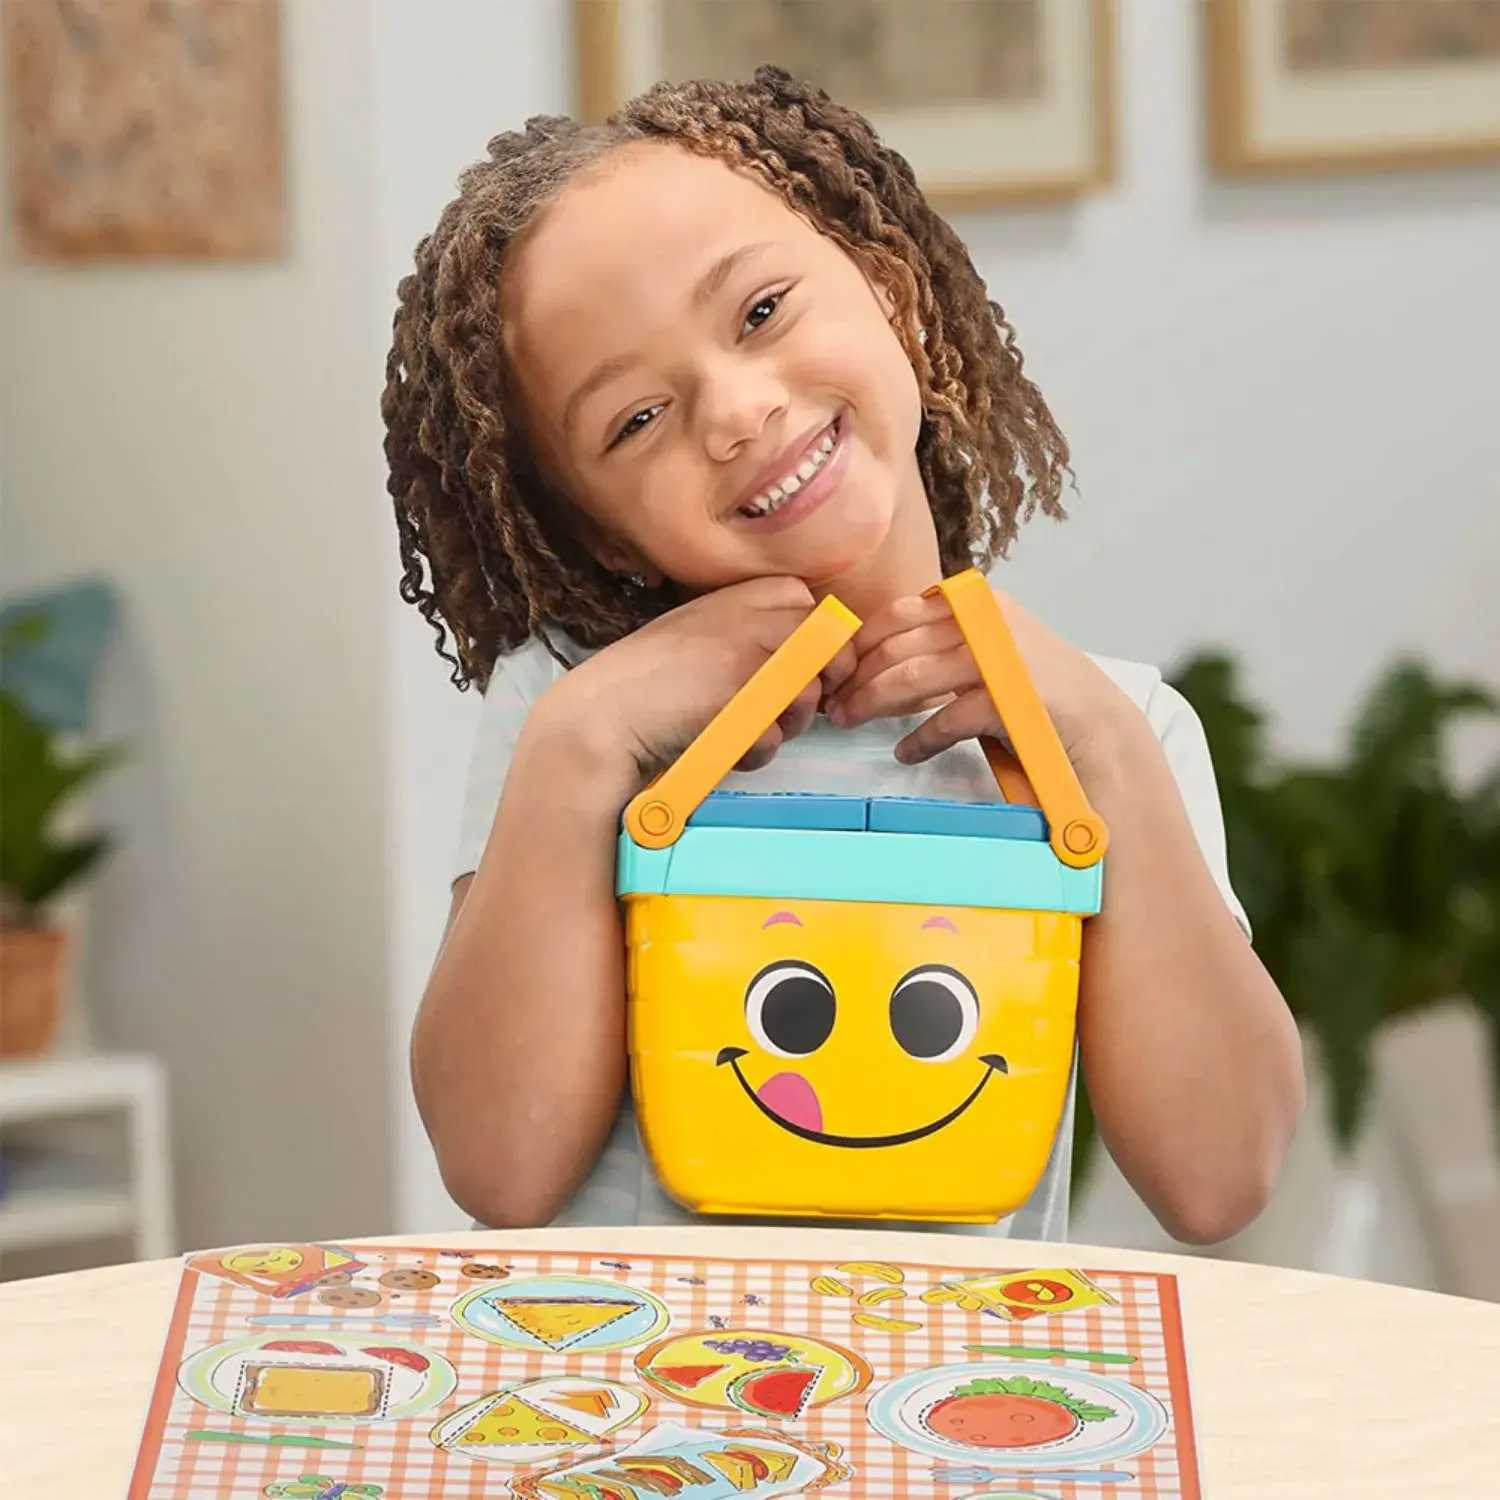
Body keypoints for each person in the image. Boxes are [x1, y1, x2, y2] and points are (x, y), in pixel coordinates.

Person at [382, 68, 1304, 1243]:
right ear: (600, 533)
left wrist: (1108, 754)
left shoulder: (1113, 729)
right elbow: (498, 1170)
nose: (736, 413)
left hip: (952, 1368)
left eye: (761, 312)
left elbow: (1219, 1179)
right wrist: (581, 747)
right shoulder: (568, 709)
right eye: (636, 420)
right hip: (641, 1366)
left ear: (894, 295)